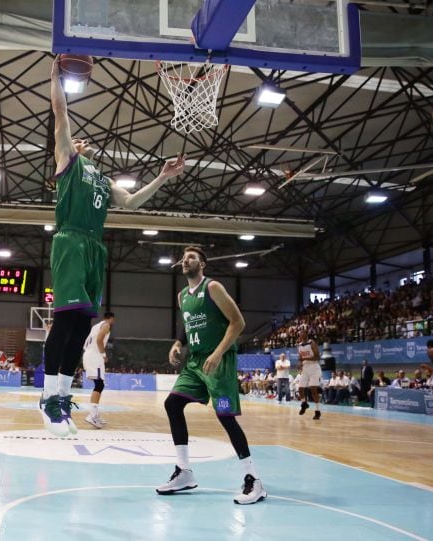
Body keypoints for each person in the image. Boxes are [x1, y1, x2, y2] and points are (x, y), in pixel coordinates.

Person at [41, 55, 187, 437]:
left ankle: (63, 397)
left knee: (80, 325)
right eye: (78, 140)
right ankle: (47, 396)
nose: (83, 140)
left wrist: (162, 176)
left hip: (95, 248)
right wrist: (55, 77)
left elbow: (133, 202)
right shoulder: (67, 159)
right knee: (65, 321)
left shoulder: (104, 181)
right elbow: (60, 113)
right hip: (71, 241)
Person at [157, 246, 266, 505]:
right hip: (195, 362)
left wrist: (218, 353)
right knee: (173, 404)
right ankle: (184, 472)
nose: (186, 261)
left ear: (202, 264)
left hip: (219, 361)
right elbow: (187, 323)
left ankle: (254, 480)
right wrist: (178, 343)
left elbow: (238, 322)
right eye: (184, 258)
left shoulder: (212, 287)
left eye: (191, 257)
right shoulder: (182, 296)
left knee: (225, 416)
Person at [82, 311, 115, 428]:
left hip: (89, 354)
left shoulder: (96, 325)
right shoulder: (106, 325)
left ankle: (94, 414)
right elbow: (99, 340)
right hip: (95, 356)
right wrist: (104, 354)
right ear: (111, 319)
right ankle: (92, 415)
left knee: (99, 384)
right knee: (99, 384)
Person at [297, 328, 322, 420]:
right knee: (300, 389)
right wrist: (300, 364)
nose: (301, 335)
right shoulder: (299, 345)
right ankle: (304, 403)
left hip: (314, 368)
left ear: (306, 334)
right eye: (300, 333)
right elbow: (300, 358)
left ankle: (317, 411)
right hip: (305, 368)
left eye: (303, 333)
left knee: (313, 390)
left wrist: (305, 359)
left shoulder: (312, 343)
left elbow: (317, 357)